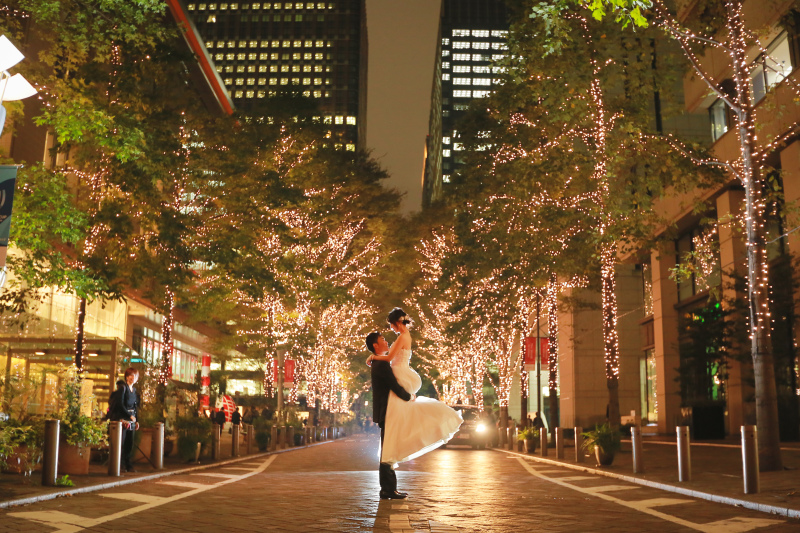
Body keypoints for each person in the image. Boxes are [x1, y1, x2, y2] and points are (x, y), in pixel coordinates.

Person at [366, 308, 463, 477]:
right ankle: (395, 452)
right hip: (404, 372)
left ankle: (393, 454)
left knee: (399, 416)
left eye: (391, 325)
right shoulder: (406, 336)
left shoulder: (402, 337)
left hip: (401, 373)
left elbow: (388, 358)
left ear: (396, 322)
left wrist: (372, 357)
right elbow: (390, 356)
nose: (391, 329)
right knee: (405, 415)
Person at [366, 330, 413, 500]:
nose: (386, 341)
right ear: (375, 345)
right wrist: (409, 397)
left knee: (388, 448)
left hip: (386, 410)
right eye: (383, 340)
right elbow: (393, 385)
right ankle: (387, 489)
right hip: (387, 411)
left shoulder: (378, 363)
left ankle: (388, 489)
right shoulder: (382, 364)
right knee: (387, 449)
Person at [110, 367, 140, 473]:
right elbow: (120, 404)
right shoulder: (123, 388)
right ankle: (120, 464)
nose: (133, 378)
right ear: (126, 377)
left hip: (131, 419)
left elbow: (135, 406)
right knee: (121, 442)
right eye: (130, 375)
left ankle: (128, 464)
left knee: (129, 443)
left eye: (135, 376)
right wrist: (128, 415)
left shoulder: (134, 390)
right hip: (123, 419)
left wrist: (136, 420)